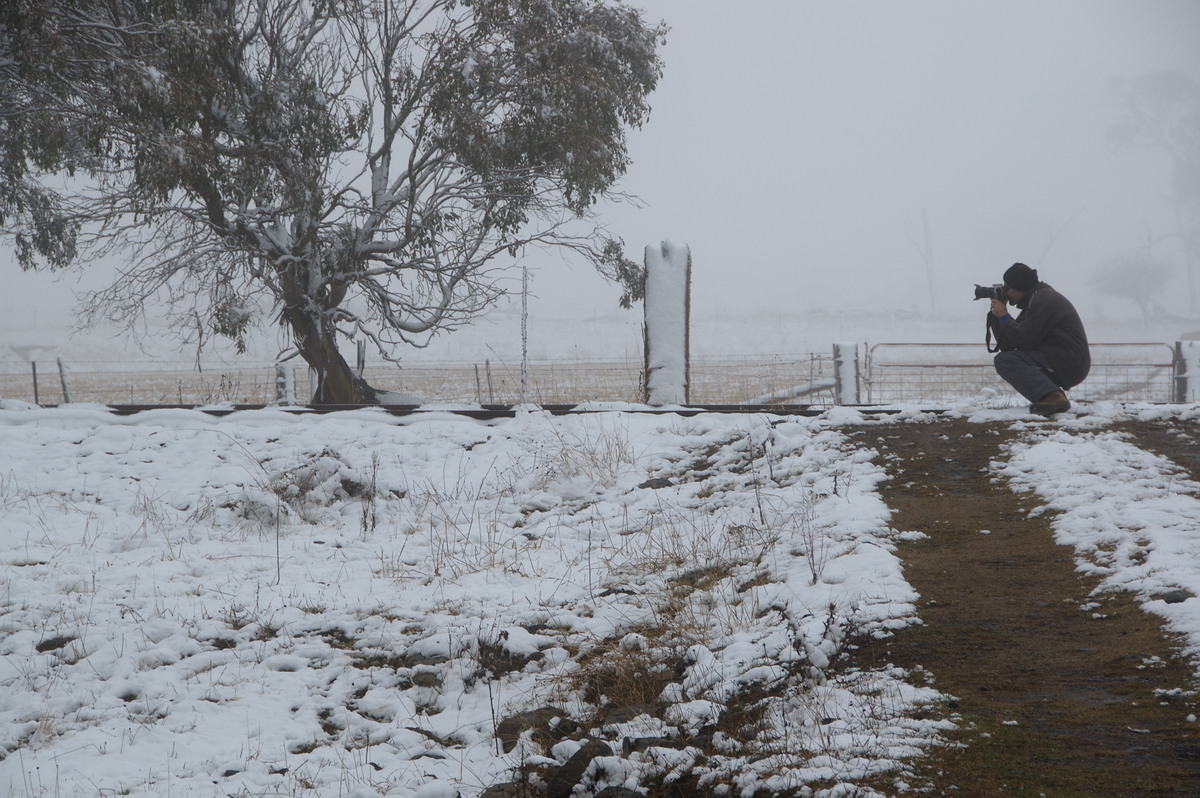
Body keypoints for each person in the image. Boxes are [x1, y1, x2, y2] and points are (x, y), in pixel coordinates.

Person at [988, 262, 1090, 415]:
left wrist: (1004, 316)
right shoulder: (1036, 299)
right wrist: (997, 318)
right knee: (1007, 358)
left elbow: (1023, 341)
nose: (1006, 292)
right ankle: (1049, 396)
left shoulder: (1043, 300)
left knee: (1004, 360)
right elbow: (1009, 345)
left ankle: (1053, 397)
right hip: (1062, 359)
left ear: (1019, 286)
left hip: (1068, 362)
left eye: (1008, 287)